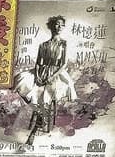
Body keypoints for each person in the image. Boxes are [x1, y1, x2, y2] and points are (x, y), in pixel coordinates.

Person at [14, 15, 76, 148]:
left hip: (56, 74)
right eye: (57, 24)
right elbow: (37, 63)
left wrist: (52, 76)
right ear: (52, 26)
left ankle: (35, 129)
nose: (59, 27)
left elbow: (64, 64)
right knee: (19, 82)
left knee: (45, 98)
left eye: (61, 25)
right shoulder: (44, 45)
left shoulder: (64, 44)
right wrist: (37, 75)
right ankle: (38, 112)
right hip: (41, 72)